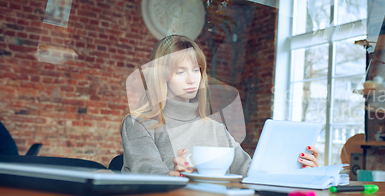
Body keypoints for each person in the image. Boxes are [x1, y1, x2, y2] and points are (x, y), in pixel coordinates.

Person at [121, 35, 319, 177]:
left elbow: (250, 171)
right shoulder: (138, 123)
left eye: (196, 70)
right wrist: (172, 175)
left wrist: (297, 170)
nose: (192, 79)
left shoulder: (216, 128)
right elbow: (146, 170)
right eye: (180, 72)